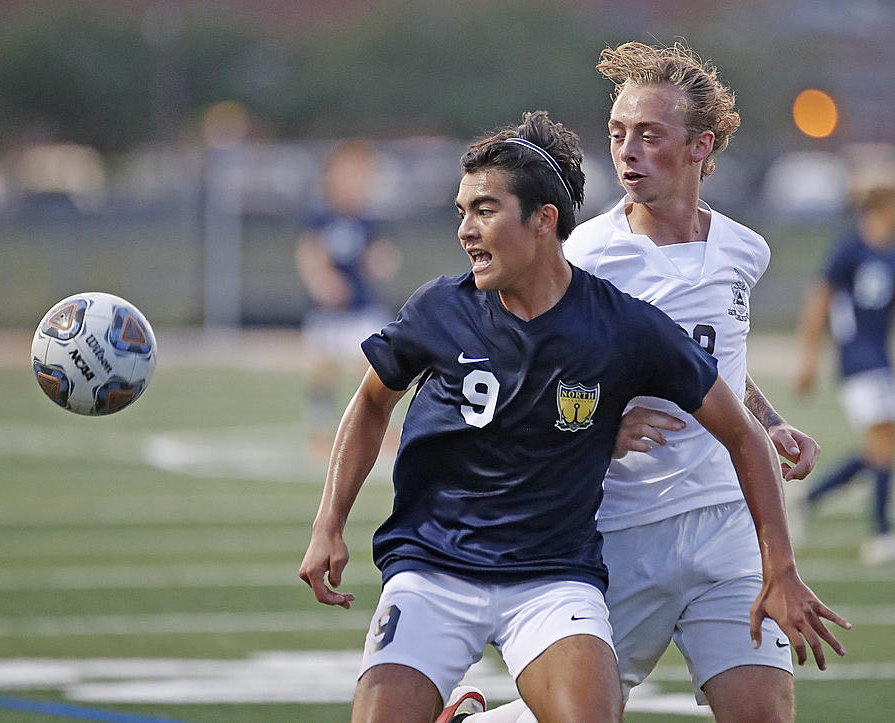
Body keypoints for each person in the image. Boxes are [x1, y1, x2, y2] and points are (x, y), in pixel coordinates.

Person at [299, 109, 840, 723]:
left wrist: (780, 558)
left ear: (542, 220)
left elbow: (735, 418)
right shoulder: (441, 310)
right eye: (461, 212)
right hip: (434, 568)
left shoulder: (622, 323)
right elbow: (371, 400)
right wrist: (328, 525)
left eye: (484, 211)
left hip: (552, 577)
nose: (466, 231)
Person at [448, 42, 849, 723]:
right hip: (617, 530)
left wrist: (769, 419)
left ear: (702, 145)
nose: (627, 151)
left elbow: (718, 359)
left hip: (727, 526)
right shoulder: (581, 258)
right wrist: (600, 424)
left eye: (649, 135)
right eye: (617, 134)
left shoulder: (743, 250)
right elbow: (511, 382)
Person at [794, 166, 895, 565]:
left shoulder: (890, 253)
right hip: (856, 358)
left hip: (880, 358)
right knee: (885, 442)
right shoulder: (849, 250)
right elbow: (819, 302)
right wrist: (808, 358)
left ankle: (809, 498)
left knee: (881, 446)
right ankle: (881, 532)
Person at [294, 139, 400, 456]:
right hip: (329, 313)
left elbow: (379, 255)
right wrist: (321, 280)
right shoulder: (321, 218)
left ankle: (381, 428)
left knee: (376, 372)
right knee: (321, 372)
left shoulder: (368, 221)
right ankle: (320, 430)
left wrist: (381, 262)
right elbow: (309, 253)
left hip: (361, 309)